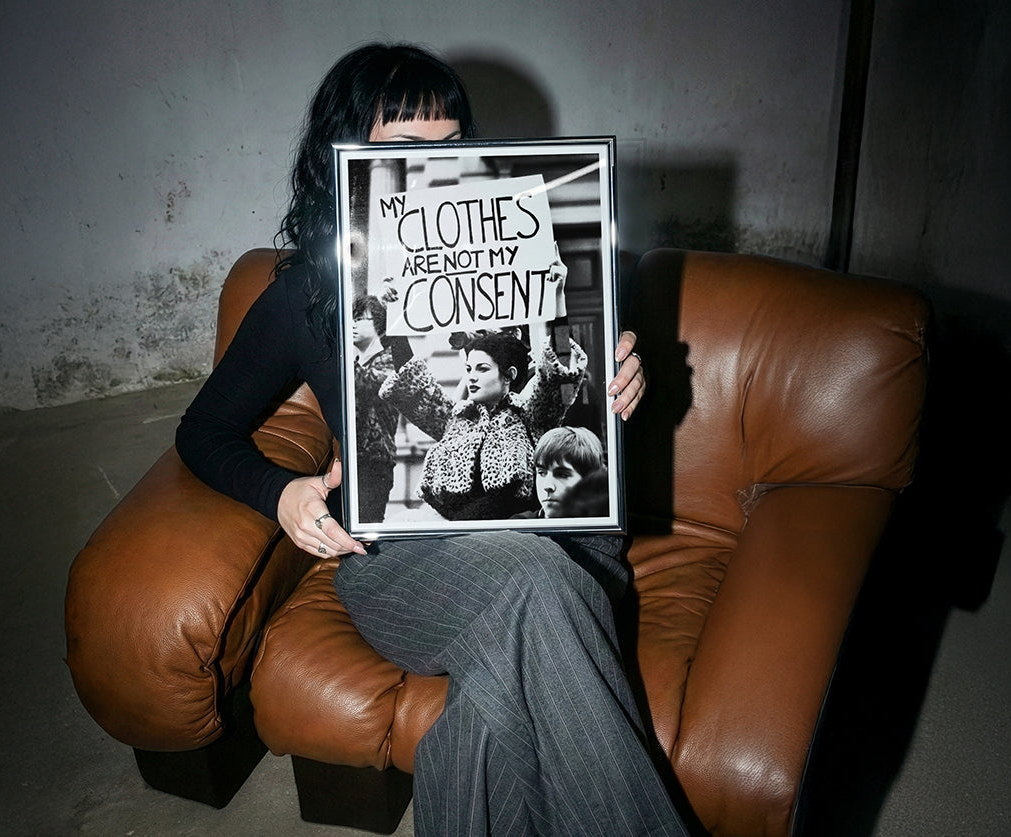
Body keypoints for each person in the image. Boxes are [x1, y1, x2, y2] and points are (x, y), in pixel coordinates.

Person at [175, 42, 682, 835]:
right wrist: (282, 494)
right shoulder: (310, 293)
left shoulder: (546, 246)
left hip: (568, 538)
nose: (438, 169)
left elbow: (574, 408)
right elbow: (202, 430)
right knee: (533, 587)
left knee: (485, 715)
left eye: (453, 146)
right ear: (343, 156)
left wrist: (625, 381)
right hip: (408, 564)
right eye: (408, 149)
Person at [379, 328, 587, 520]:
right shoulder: (458, 418)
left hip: (510, 533)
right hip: (452, 531)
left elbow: (558, 373)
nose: (472, 377)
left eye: (482, 369)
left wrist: (557, 307)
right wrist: (395, 333)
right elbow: (416, 387)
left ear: (509, 375)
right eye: (469, 369)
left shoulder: (529, 415)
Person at [349, 294, 402, 522]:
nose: (352, 324)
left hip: (374, 462)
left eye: (360, 318)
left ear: (379, 324)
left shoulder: (391, 361)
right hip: (350, 459)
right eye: (351, 318)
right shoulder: (355, 363)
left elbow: (365, 382)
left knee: (366, 526)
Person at [512, 425, 608, 519]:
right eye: (541, 473)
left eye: (562, 475)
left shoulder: (605, 525)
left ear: (588, 481)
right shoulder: (518, 525)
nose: (547, 486)